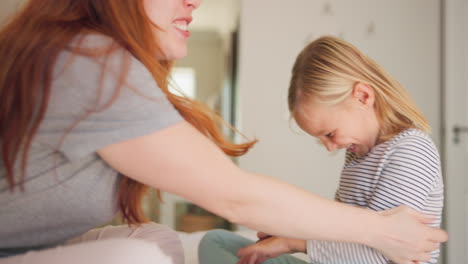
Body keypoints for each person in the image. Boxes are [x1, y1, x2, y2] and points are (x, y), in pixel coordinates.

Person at [0, 1, 446, 263]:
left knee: (158, 241)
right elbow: (231, 194)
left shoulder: (408, 152)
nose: (193, 0)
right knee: (193, 245)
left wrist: (321, 239)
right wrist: (374, 231)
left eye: (329, 133)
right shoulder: (92, 63)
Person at [198, 36, 444, 264]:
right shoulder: (358, 154)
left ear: (362, 96)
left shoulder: (411, 151)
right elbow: (342, 228)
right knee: (218, 242)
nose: (330, 147)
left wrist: (292, 242)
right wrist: (289, 231)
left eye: (330, 134)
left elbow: (381, 253)